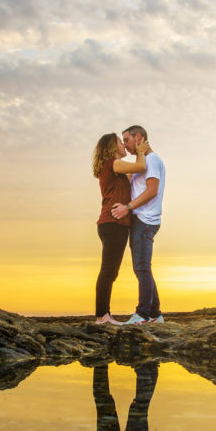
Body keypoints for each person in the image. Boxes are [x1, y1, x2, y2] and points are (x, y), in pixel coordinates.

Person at [92, 133, 150, 325]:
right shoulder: (114, 163)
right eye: (120, 141)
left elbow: (133, 175)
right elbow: (141, 166)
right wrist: (140, 152)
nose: (123, 144)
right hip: (113, 223)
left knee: (110, 271)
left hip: (112, 224)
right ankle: (102, 315)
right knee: (108, 270)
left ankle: (103, 315)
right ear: (111, 147)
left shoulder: (115, 168)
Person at [111, 125, 166, 324]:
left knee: (142, 268)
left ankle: (142, 315)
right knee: (144, 268)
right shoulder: (143, 161)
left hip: (144, 219)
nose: (125, 144)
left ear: (139, 137)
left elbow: (152, 190)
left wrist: (127, 207)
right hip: (141, 219)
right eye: (123, 141)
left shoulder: (152, 160)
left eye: (127, 140)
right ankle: (155, 314)